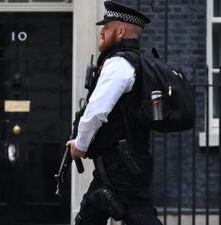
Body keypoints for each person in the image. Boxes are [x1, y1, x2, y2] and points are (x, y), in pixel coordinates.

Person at [66, 1, 164, 225]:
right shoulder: (133, 62)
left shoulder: (119, 63)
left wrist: (80, 145)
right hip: (120, 161)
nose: (101, 31)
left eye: (107, 27)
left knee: (138, 216)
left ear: (120, 31)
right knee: (90, 215)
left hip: (122, 163)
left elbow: (96, 110)